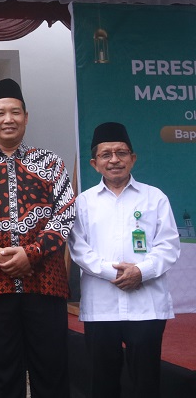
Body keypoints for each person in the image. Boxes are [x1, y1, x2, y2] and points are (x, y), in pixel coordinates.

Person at [0, 78, 75, 398]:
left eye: (15, 112)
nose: (7, 119)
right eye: (0, 113)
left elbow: (65, 214)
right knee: (2, 373)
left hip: (46, 283)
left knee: (51, 370)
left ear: (26, 116)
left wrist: (33, 253)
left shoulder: (51, 163)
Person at [69, 122, 180, 398]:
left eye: (121, 152)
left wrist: (141, 271)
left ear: (133, 158)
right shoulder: (83, 202)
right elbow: (78, 248)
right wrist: (113, 273)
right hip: (101, 307)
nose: (114, 160)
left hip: (147, 306)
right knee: (102, 384)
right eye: (106, 154)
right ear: (95, 163)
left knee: (146, 384)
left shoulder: (155, 198)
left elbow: (169, 245)